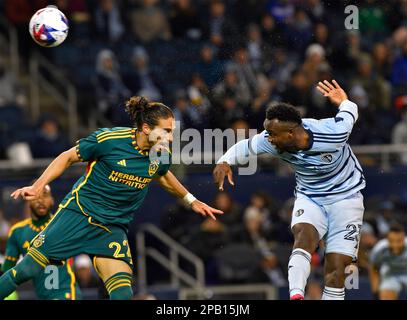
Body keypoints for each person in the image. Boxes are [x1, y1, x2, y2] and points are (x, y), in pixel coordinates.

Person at [0, 96, 223, 300]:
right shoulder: (109, 139)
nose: (170, 137)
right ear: (146, 128)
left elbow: (161, 174)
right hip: (78, 214)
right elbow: (67, 157)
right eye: (166, 131)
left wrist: (191, 200)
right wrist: (38, 185)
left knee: (123, 293)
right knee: (26, 270)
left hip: (112, 227)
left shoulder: (161, 152)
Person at [213, 80, 366, 300]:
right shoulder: (272, 139)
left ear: (291, 134)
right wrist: (225, 161)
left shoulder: (333, 133)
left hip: (346, 198)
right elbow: (246, 147)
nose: (269, 138)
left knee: (336, 270)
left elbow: (349, 113)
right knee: (304, 236)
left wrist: (343, 100)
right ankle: (296, 296)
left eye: (274, 134)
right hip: (310, 197)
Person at [2, 184, 81, 300]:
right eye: (36, 195)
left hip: (66, 293)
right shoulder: (17, 232)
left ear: (52, 201)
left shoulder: (63, 224)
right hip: (42, 296)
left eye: (45, 196)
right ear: (28, 201)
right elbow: (8, 270)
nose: (41, 200)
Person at [369, 223, 407, 300]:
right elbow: (374, 267)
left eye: (399, 241)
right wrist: (375, 290)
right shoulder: (379, 249)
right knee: (386, 294)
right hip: (390, 275)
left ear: (404, 238)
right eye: (391, 241)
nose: (395, 245)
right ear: (387, 239)